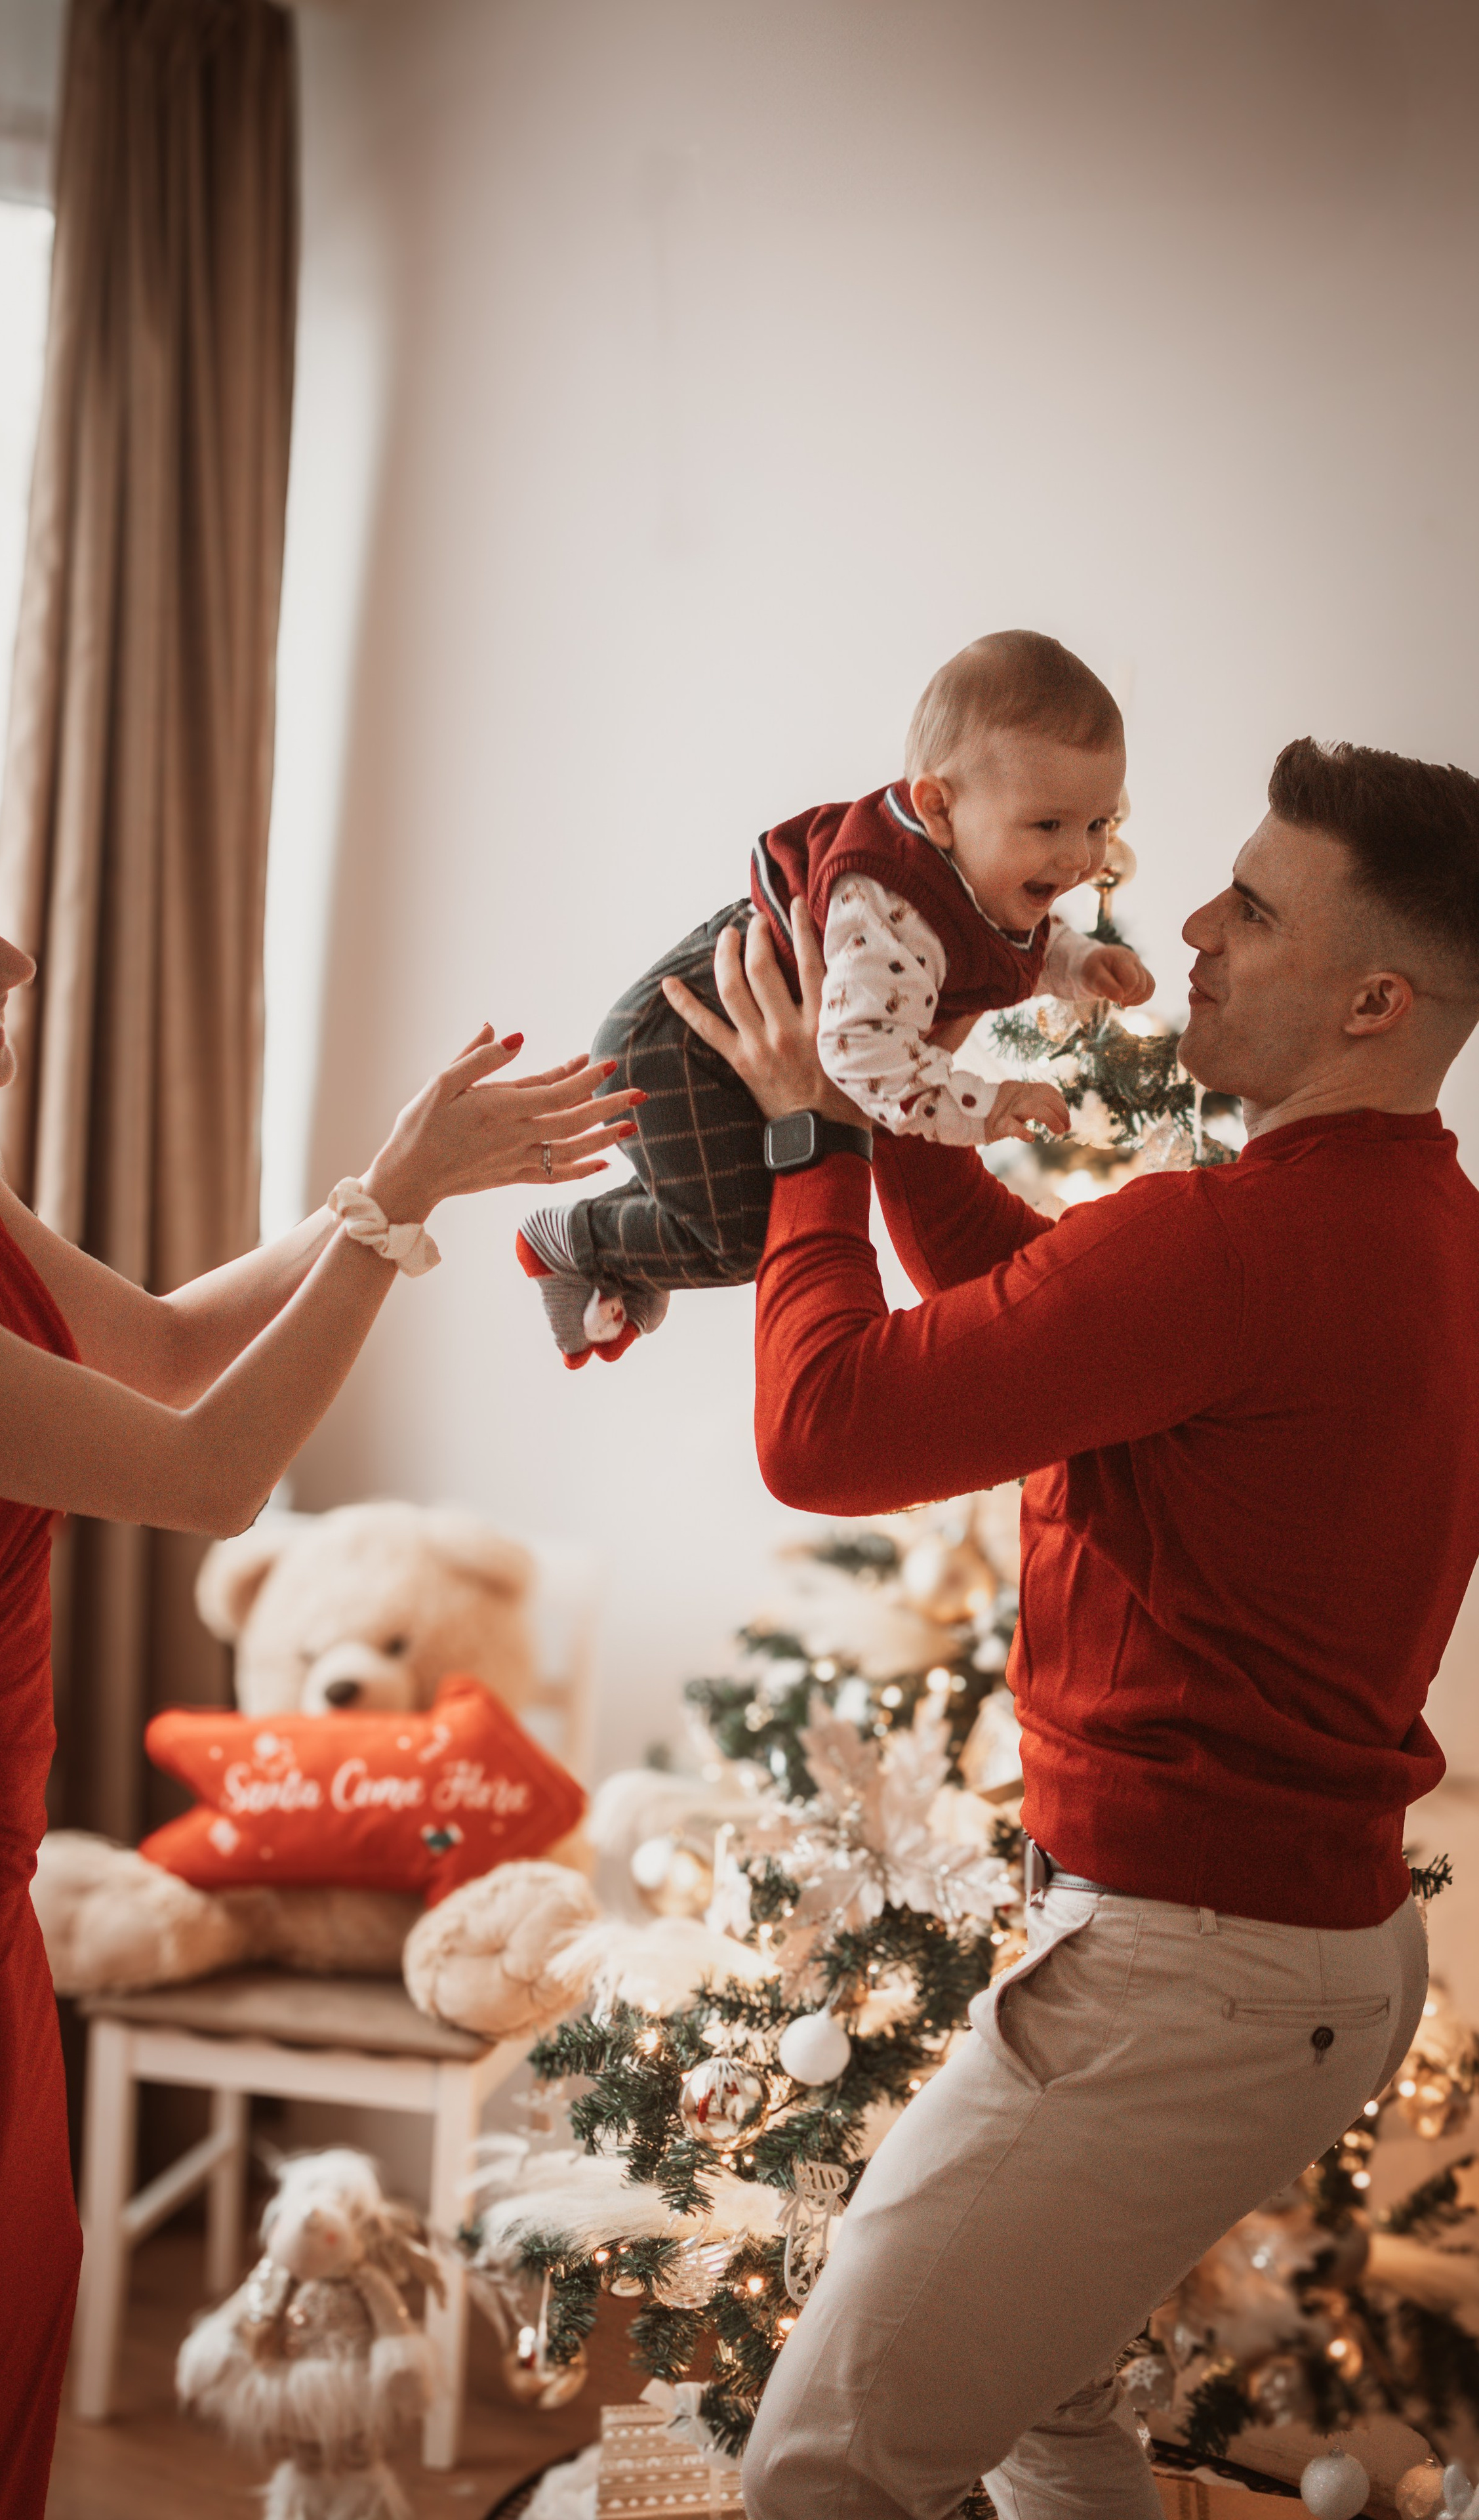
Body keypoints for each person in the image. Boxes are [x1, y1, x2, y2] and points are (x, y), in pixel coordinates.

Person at [0, 775, 639, 2520]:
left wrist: (391, 1185)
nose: (17, 957)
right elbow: (209, 1475)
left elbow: (173, 1350)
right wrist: (398, 1223)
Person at [662, 737, 1479, 2520]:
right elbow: (1040, 1322)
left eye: (1252, 910)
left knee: (823, 2468)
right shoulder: (1416, 1220)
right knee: (1045, 2417)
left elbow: (828, 1429)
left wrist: (807, 1130)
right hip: (1296, 1956)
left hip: (1189, 1982)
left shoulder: (1233, 1246)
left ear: (1374, 1000)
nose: (1183, 921)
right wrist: (878, 1106)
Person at [516, 630, 1153, 1365]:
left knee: (730, 1208)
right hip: (677, 1046)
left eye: (1098, 824)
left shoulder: (966, 880)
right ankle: (577, 1240)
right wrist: (990, 1103)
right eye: (1049, 824)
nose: (1079, 856)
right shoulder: (889, 909)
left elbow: (1011, 938)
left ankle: (604, 1271)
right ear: (938, 810)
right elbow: (867, 1061)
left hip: (712, 1042)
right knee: (744, 1236)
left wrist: (1080, 964)